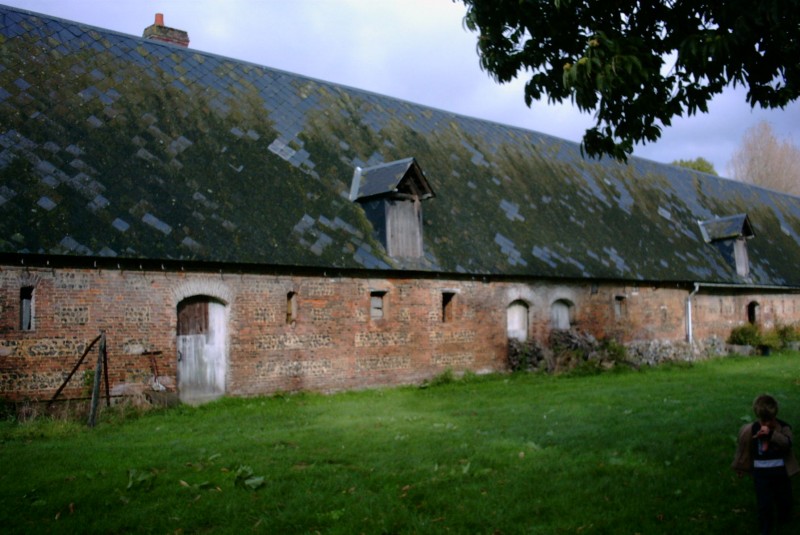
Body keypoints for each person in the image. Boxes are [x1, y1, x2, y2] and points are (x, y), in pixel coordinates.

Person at [732, 394, 799, 534]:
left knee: (784, 498)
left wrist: (771, 434)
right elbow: (743, 448)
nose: (767, 423)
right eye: (764, 420)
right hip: (761, 473)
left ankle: (784, 518)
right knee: (764, 503)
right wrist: (740, 467)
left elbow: (787, 443)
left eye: (770, 420)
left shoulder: (784, 427)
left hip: (781, 471)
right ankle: (765, 526)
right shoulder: (750, 429)